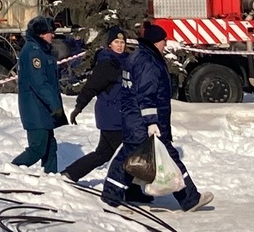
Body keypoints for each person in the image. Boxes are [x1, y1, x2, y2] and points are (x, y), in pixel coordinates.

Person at [101, 24, 213, 212]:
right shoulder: (148, 62)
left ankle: (114, 196)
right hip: (144, 123)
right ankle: (190, 199)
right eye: (164, 41)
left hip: (133, 120)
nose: (165, 44)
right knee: (166, 156)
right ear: (156, 42)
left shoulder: (137, 56)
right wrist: (151, 122)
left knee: (127, 158)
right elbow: (146, 95)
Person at [62, 28, 153, 202]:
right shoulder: (107, 63)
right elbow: (91, 87)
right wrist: (78, 107)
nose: (120, 45)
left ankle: (71, 173)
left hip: (122, 116)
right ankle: (123, 191)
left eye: (122, 42)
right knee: (128, 154)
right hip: (112, 117)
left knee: (104, 153)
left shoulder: (124, 61)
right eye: (116, 42)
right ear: (109, 44)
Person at [12, 16, 64, 173]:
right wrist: (55, 105)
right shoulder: (33, 52)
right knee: (38, 149)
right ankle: (10, 171)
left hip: (44, 110)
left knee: (50, 148)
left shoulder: (43, 50)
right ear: (41, 34)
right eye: (50, 32)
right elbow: (39, 83)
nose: (53, 35)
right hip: (36, 110)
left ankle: (52, 179)